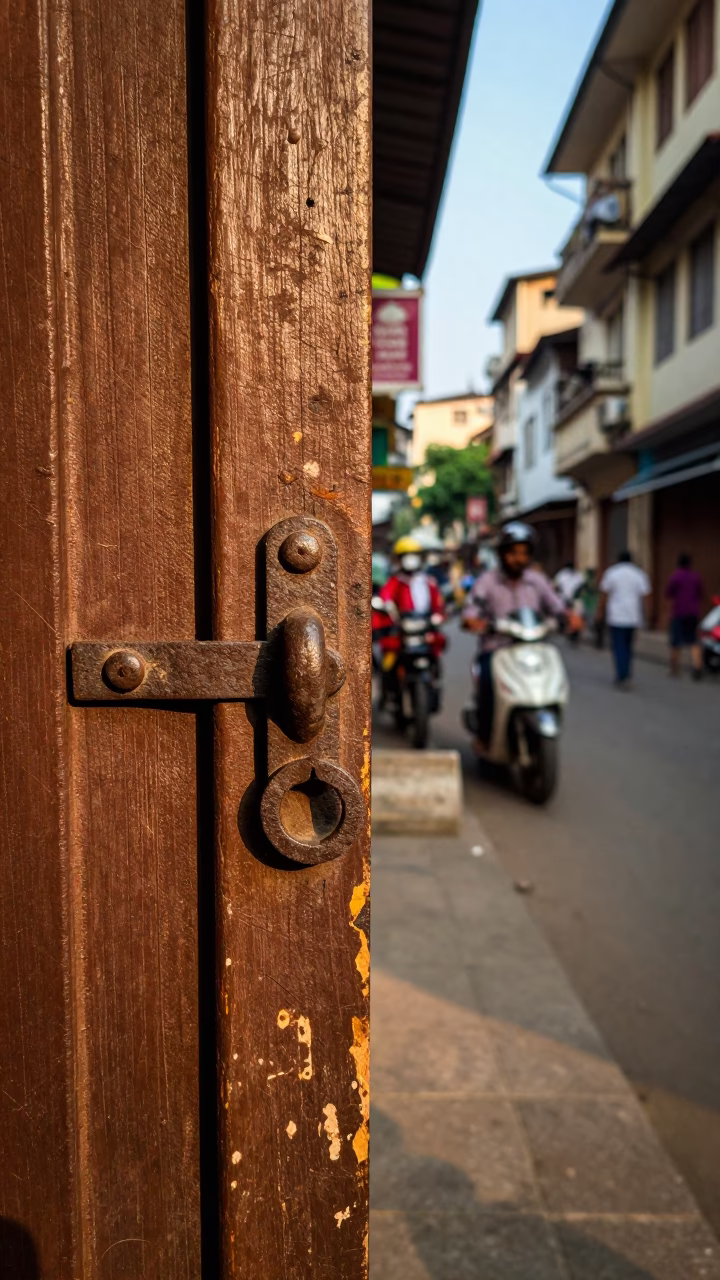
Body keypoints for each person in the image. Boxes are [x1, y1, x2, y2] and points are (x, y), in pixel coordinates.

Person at [462, 522, 566, 748]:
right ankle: (485, 737)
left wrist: (569, 616)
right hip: (497, 650)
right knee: (488, 682)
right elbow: (472, 608)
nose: (518, 558)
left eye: (523, 553)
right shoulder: (487, 581)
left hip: (533, 647)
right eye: (513, 553)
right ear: (502, 554)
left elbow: (556, 605)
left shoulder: (537, 580)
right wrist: (473, 620)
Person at [598, 550, 651, 688]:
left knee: (618, 647)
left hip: (616, 616)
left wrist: (600, 612)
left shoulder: (611, 573)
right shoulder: (639, 574)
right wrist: (647, 614)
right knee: (628, 647)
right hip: (633, 617)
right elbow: (645, 596)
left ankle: (621, 676)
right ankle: (627, 674)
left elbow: (604, 595)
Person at [665, 553, 704, 680]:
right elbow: (700, 593)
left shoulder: (676, 576)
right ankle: (697, 666)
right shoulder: (696, 576)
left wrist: (668, 612)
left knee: (676, 641)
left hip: (679, 612)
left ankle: (675, 668)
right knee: (693, 640)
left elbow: (669, 594)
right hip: (693, 612)